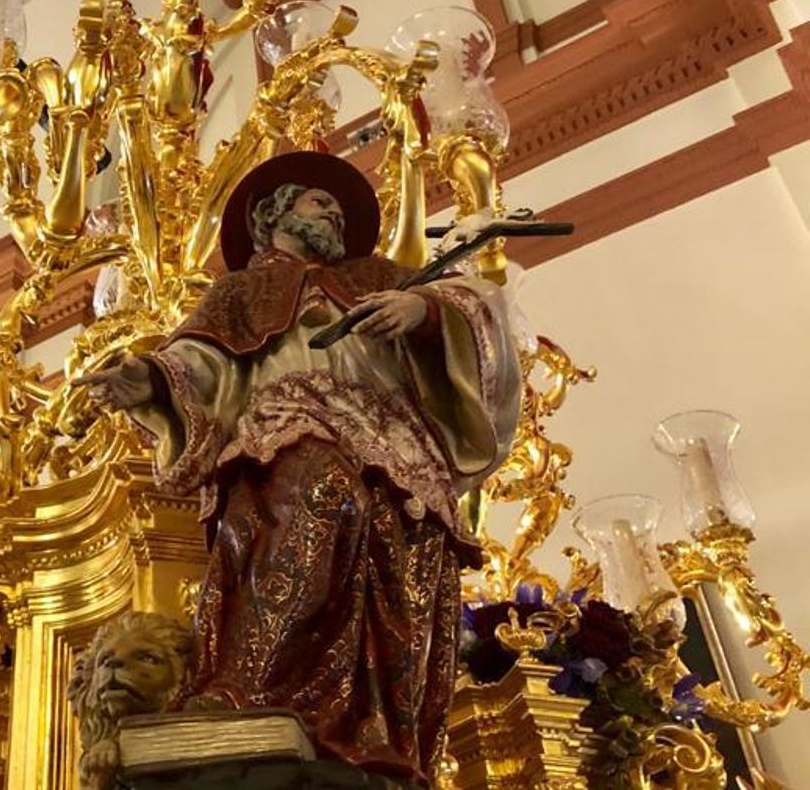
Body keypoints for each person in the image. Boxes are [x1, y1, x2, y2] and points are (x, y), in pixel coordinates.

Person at [78, 151, 521, 786]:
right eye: (319, 203)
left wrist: (421, 312)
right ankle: (247, 691)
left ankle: (377, 731)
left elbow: (470, 311)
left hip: (398, 447)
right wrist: (146, 377)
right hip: (292, 422)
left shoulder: (382, 275)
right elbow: (198, 363)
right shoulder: (238, 293)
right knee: (315, 502)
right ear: (271, 216)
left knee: (400, 578)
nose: (334, 213)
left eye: (338, 209)